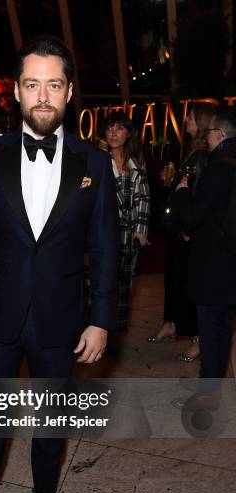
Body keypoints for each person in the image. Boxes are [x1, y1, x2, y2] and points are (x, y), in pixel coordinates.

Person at [0, 35, 119, 493]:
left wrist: (101, 318)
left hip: (62, 318)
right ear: (16, 92)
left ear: (68, 93)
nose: (43, 96)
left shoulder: (95, 165)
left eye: (54, 85)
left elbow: (106, 248)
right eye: (33, 84)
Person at [148, 103, 217, 362]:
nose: (186, 119)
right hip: (179, 228)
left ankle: (199, 339)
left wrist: (190, 228)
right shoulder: (191, 153)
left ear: (200, 122)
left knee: (190, 285)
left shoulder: (202, 156)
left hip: (188, 231)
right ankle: (171, 324)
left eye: (190, 116)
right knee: (173, 278)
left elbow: (198, 197)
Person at [176, 106, 236, 382]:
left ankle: (208, 394)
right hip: (231, 263)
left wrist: (182, 193)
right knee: (223, 330)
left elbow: (193, 215)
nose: (207, 136)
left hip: (213, 265)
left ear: (220, 134)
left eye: (210, 131)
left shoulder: (217, 168)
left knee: (211, 334)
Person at [104, 111, 150, 339]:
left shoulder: (137, 163)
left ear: (128, 134)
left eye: (119, 128)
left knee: (124, 287)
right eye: (110, 127)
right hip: (106, 234)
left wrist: (141, 230)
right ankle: (98, 331)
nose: (113, 133)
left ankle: (114, 334)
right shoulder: (98, 160)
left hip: (129, 237)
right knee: (102, 285)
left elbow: (144, 197)